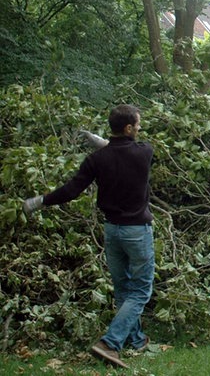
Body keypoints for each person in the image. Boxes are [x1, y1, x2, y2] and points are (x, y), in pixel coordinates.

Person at [23, 104, 154, 369]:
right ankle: (110, 343)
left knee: (123, 288)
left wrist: (39, 201)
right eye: (137, 125)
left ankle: (136, 339)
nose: (139, 128)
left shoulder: (97, 159)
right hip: (136, 233)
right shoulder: (144, 153)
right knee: (140, 291)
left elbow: (71, 190)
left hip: (112, 231)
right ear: (129, 128)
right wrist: (105, 144)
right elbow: (124, 151)